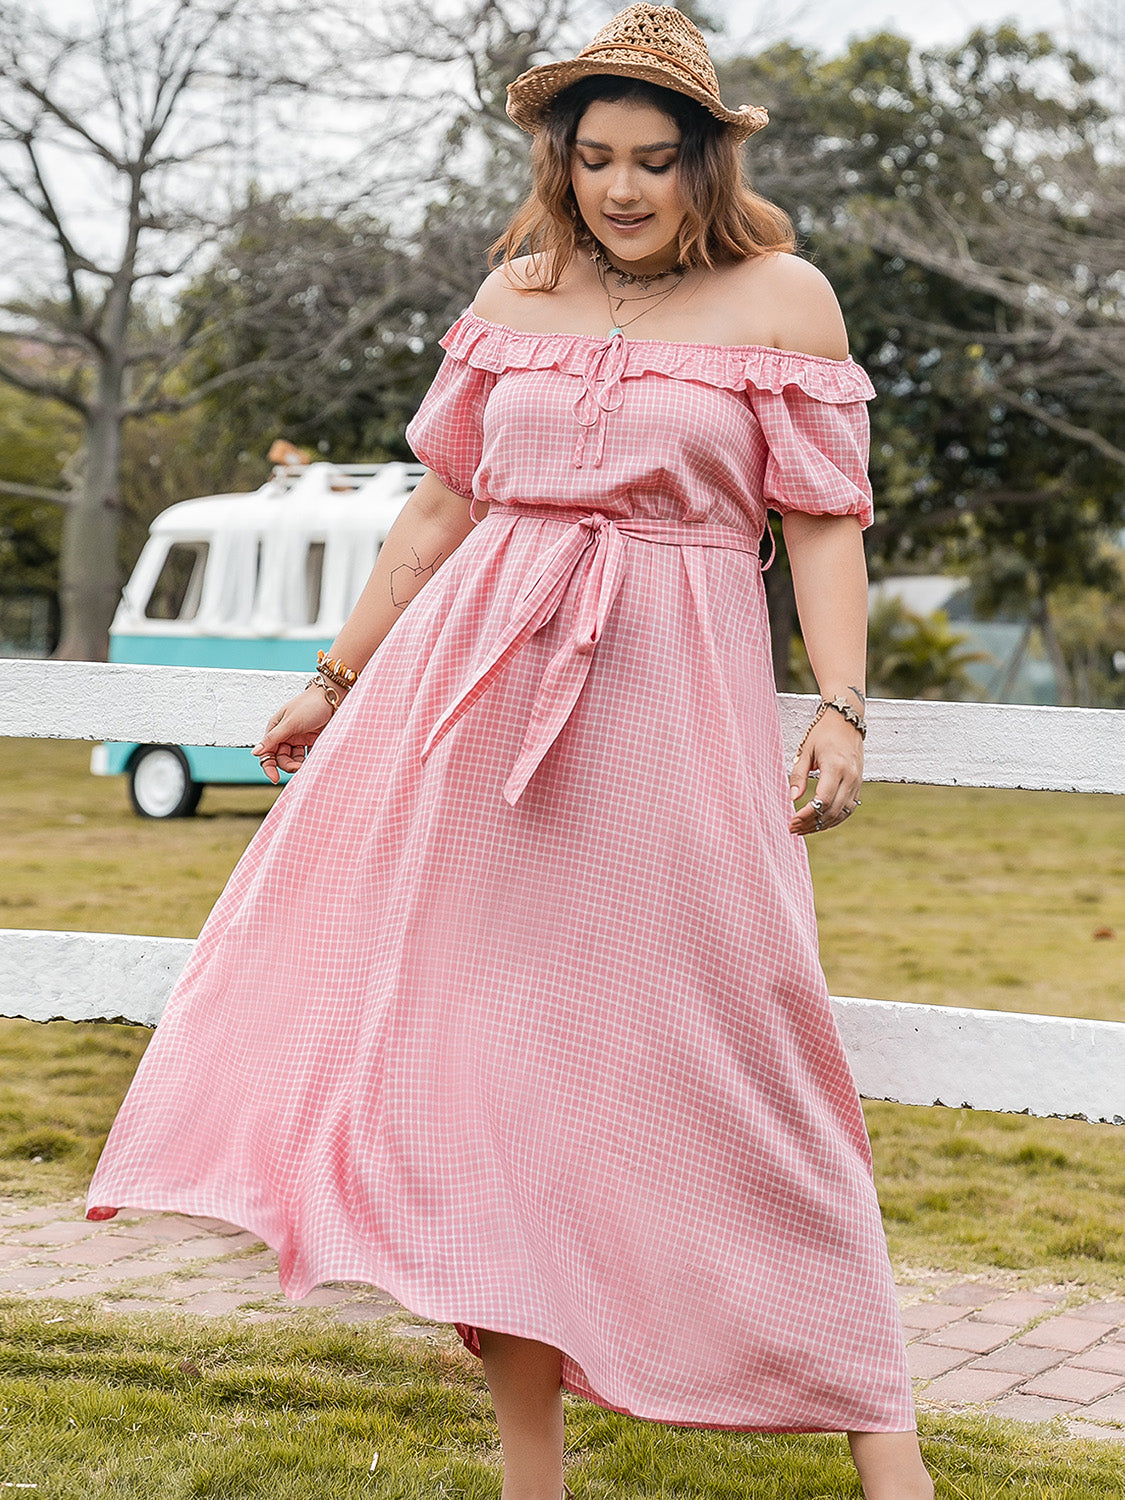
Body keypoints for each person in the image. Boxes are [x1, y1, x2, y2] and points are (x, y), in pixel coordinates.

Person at [87, 6, 934, 1497]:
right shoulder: (518, 293)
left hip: (672, 708)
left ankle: (886, 1446)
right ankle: (527, 1473)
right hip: (476, 710)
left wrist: (842, 704)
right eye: (595, 158)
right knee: (490, 1083)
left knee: (752, 1051)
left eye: (653, 160)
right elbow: (439, 507)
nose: (621, 188)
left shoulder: (784, 298)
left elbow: (820, 522)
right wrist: (335, 676)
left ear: (707, 161)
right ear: (560, 159)